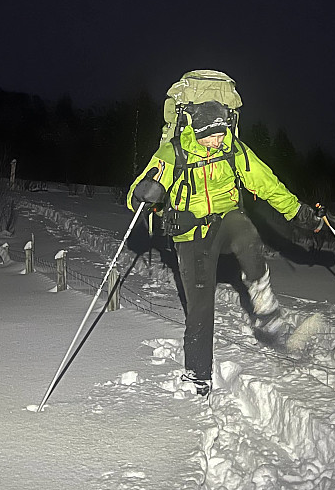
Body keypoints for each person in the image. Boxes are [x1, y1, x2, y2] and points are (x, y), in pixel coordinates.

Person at [127, 98, 324, 397]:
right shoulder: (174, 151)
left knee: (245, 232)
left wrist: (298, 213)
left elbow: (267, 183)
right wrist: (144, 194)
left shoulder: (233, 149)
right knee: (200, 307)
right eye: (212, 135)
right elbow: (135, 195)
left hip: (226, 219)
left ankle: (262, 298)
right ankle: (197, 375)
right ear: (197, 130)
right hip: (191, 231)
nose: (218, 140)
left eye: (222, 133)